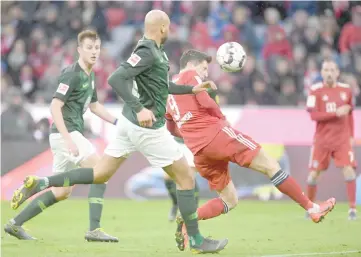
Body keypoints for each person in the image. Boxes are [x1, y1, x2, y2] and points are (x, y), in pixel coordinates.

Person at [10, 10, 228, 254]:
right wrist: (140, 108)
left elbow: (163, 86)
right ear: (163, 27)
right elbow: (116, 78)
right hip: (146, 128)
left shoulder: (153, 51)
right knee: (186, 178)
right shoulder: (146, 51)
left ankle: (43, 182)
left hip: (127, 124)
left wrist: (193, 89)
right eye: (169, 27)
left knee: (100, 174)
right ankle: (196, 240)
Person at [165, 49, 336, 251]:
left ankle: (188, 222)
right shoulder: (189, 75)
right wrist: (221, 119)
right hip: (218, 136)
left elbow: (172, 128)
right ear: (193, 63)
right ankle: (312, 208)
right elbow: (206, 102)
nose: (205, 72)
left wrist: (193, 133)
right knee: (271, 165)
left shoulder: (170, 93)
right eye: (204, 67)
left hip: (199, 151)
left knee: (230, 199)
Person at [4, 30, 119, 242]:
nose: (94, 52)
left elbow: (94, 106)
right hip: (67, 134)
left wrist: (117, 122)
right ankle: (94, 229)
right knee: (101, 171)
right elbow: (55, 106)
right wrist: (67, 138)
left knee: (62, 192)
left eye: (97, 48)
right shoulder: (72, 73)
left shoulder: (90, 75)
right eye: (89, 48)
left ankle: (15, 224)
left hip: (65, 136)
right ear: (79, 50)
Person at [306, 59, 357, 220]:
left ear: (337, 72)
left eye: (332, 70)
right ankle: (310, 207)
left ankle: (352, 209)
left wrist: (351, 136)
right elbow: (313, 115)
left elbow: (349, 115)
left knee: (348, 170)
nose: (329, 73)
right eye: (326, 70)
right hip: (322, 140)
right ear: (321, 73)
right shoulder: (315, 90)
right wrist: (336, 113)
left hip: (342, 139)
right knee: (313, 175)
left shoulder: (346, 90)